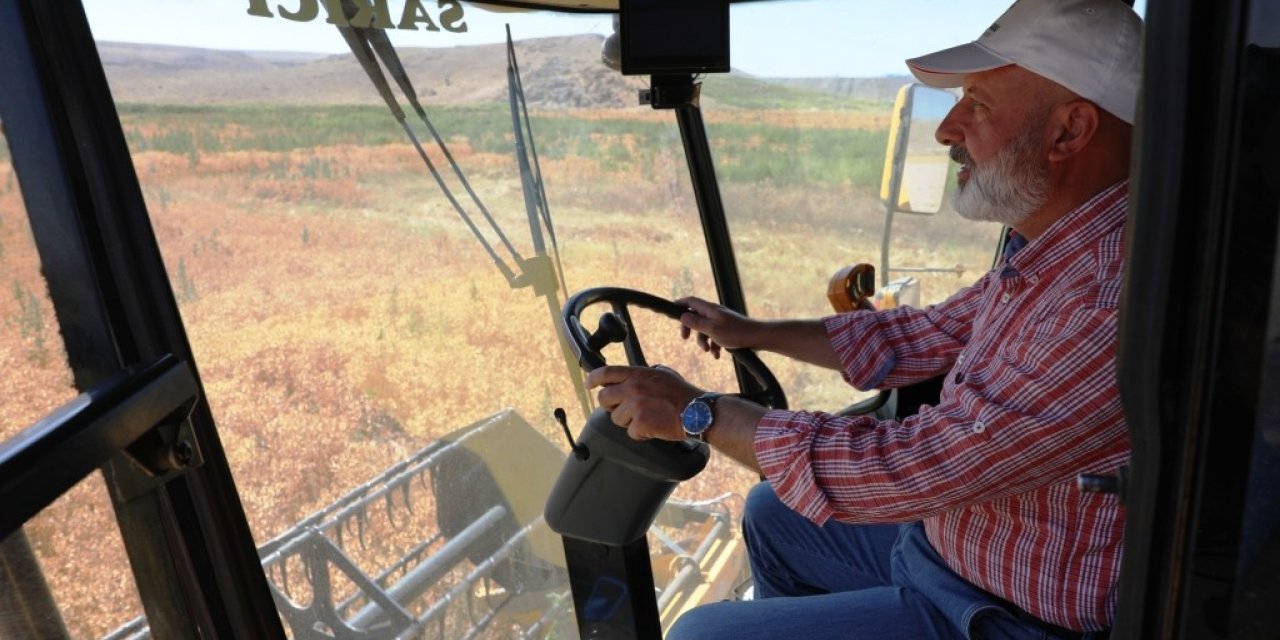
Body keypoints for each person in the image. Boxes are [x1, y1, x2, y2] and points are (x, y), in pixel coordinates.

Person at [584, 0, 1141, 638]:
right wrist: (753, 332)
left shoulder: (1106, 298)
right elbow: (921, 336)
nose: (947, 129)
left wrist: (699, 412)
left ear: (1068, 133)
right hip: (955, 548)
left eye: (978, 104)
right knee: (773, 512)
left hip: (1008, 614)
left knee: (699, 636)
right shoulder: (1054, 252)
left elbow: (920, 465)